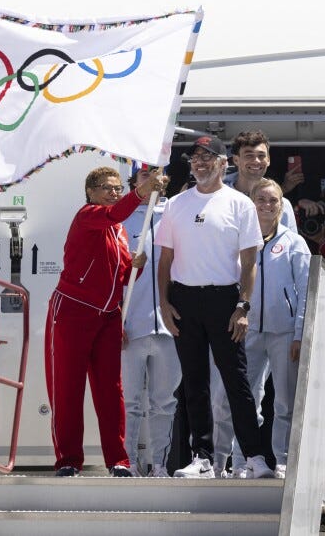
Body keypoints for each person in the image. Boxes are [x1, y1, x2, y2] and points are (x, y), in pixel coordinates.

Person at [156, 135, 275, 480]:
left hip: (225, 300)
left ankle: (254, 456)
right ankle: (202, 457)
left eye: (208, 157)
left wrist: (243, 306)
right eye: (195, 158)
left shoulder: (240, 203)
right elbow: (165, 258)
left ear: (224, 163)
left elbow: (249, 262)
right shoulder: (176, 204)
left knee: (237, 382)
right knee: (194, 382)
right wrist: (164, 302)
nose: (200, 163)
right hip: (184, 299)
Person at [45, 165, 167, 478]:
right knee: (68, 388)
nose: (114, 193)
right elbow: (111, 216)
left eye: (117, 188)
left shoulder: (119, 231)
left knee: (112, 392)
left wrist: (135, 267)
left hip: (108, 316)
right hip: (73, 310)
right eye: (107, 188)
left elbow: (123, 277)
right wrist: (140, 193)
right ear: (91, 192)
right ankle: (69, 460)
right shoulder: (88, 215)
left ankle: (118, 460)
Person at [211, 179, 310, 479]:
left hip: (283, 333)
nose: (267, 205)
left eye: (274, 200)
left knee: (284, 402)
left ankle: (282, 460)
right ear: (250, 203)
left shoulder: (294, 243)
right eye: (261, 200)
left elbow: (305, 291)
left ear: (282, 205)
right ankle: (238, 462)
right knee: (239, 398)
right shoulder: (238, 240)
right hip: (246, 331)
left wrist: (298, 333)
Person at [120, 168, 181, 478]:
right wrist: (116, 317)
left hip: (170, 327)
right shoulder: (120, 218)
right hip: (130, 325)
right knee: (129, 401)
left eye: (156, 174)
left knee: (164, 402)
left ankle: (159, 464)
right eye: (144, 175)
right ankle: (126, 463)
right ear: (135, 182)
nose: (152, 180)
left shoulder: (176, 213)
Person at [223, 130, 299, 233]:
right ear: (236, 160)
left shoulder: (282, 205)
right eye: (249, 155)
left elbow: (291, 245)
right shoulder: (217, 199)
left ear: (268, 160)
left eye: (261, 155)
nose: (256, 161)